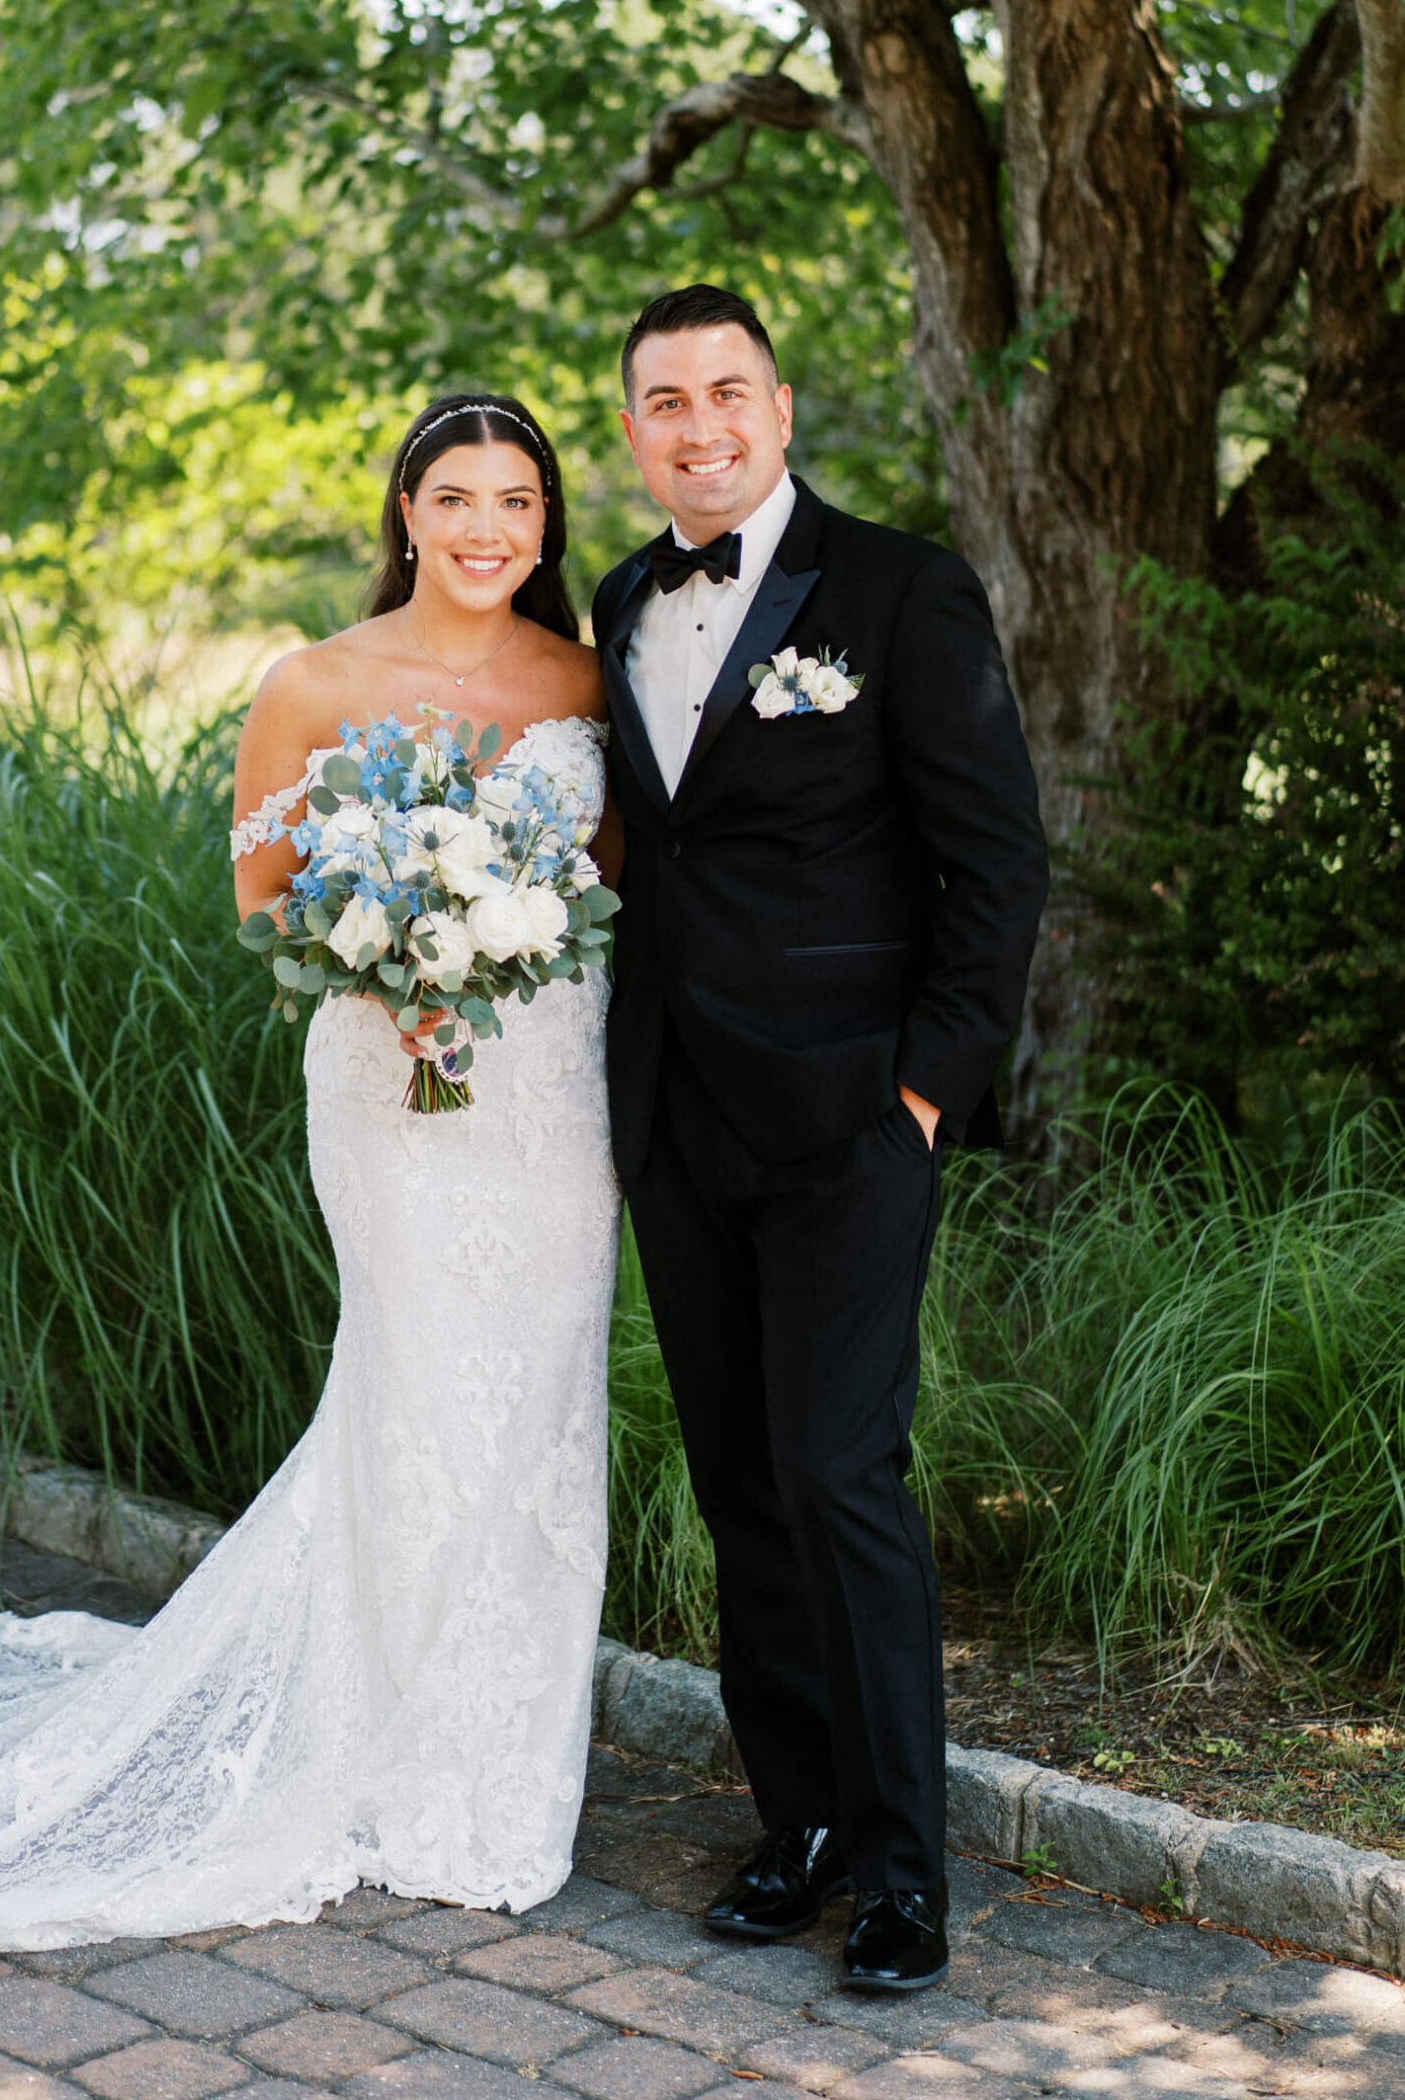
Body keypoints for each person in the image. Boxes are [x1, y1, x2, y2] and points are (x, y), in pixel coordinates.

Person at [0, 394, 619, 2024]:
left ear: (547, 523)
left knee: (541, 1410)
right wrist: (393, 968)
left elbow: (607, 889)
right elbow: (264, 907)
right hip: (391, 1102)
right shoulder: (312, 682)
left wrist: (506, 944)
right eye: (457, 498)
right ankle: (384, 1748)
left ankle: (500, 1768)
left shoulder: (585, 684)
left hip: (554, 1097)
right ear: (406, 512)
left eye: (519, 502)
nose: (489, 529)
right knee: (418, 1397)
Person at [593, 285, 1049, 1994]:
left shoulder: (902, 590)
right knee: (740, 1483)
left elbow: (996, 859)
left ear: (780, 410)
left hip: (852, 1118)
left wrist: (926, 1091)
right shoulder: (621, 600)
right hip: (675, 1120)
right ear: (634, 431)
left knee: (843, 1476)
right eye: (665, 401)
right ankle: (798, 1824)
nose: (699, 426)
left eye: (728, 392)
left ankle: (906, 1872)